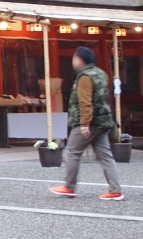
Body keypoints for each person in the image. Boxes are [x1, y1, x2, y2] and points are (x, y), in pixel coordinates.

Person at [49, 46, 124, 201]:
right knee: (105, 156)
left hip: (87, 121)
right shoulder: (101, 73)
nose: (73, 61)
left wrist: (84, 123)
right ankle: (115, 190)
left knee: (72, 152)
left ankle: (69, 187)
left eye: (74, 58)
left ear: (79, 59)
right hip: (103, 120)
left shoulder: (84, 77)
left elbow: (85, 101)